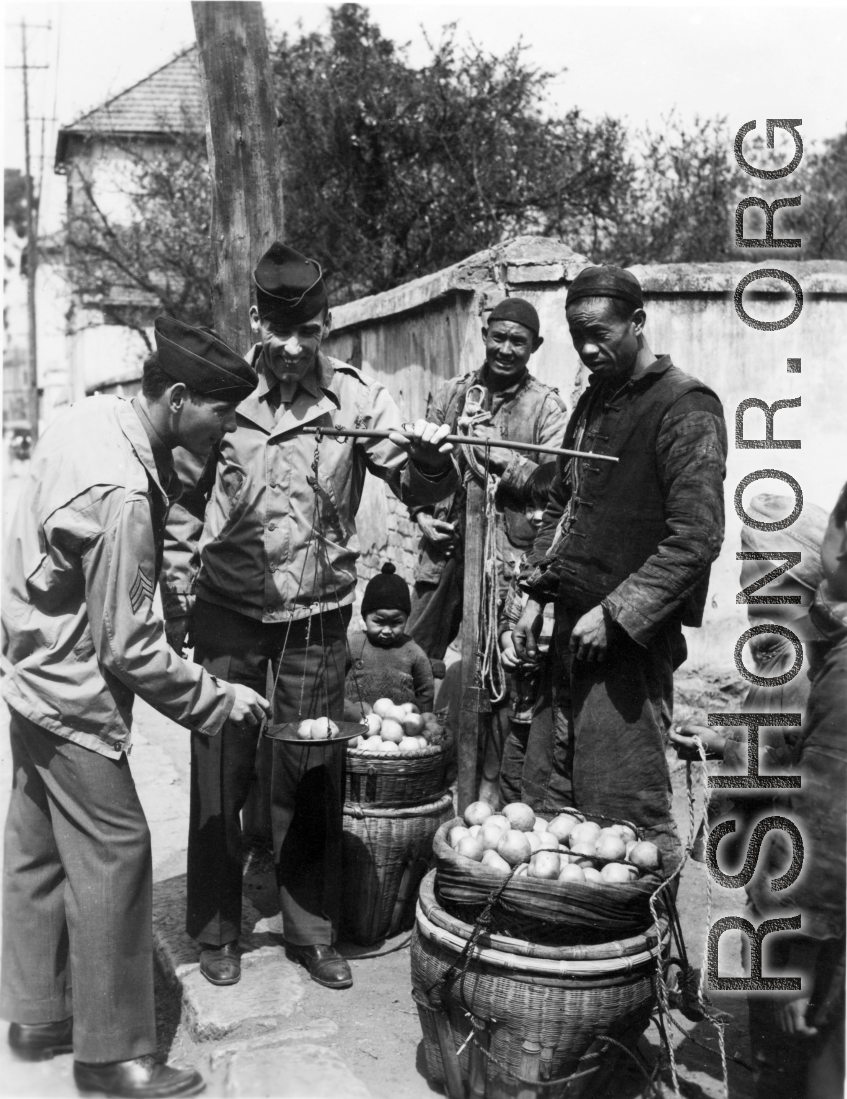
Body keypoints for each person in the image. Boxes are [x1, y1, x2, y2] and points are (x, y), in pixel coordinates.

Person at [162, 242, 458, 992]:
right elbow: (182, 508)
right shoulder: (222, 396)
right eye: (280, 333)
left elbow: (424, 487)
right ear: (256, 320)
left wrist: (428, 455)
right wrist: (173, 597)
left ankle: (311, 929)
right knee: (219, 773)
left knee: (312, 774)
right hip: (227, 617)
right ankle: (217, 929)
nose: (294, 350)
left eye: (311, 333)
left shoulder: (359, 400)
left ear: (327, 325)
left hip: (318, 618)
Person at [0, 318, 269, 1098]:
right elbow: (130, 650)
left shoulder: (88, 418)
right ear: (179, 398)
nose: (225, 429)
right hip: (72, 691)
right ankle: (113, 1056)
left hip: (26, 666)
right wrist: (218, 699)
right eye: (220, 412)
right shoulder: (123, 494)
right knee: (117, 850)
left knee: (38, 846)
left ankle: (40, 1012)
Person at [514, 265, 728, 873]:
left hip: (628, 652)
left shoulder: (686, 408)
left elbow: (696, 537)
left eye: (599, 334)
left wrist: (615, 615)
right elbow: (564, 502)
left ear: (637, 323)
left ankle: (649, 959)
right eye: (576, 335)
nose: (586, 348)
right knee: (550, 810)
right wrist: (536, 594)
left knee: (623, 820)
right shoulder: (591, 401)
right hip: (566, 638)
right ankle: (561, 960)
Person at [406, 297, 569, 673]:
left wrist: (504, 459)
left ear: (535, 346)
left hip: (506, 558)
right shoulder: (450, 394)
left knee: (497, 664)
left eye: (518, 342)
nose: (506, 350)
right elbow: (416, 469)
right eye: (498, 338)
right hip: (446, 548)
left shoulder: (546, 407)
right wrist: (421, 517)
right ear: (484, 335)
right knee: (414, 656)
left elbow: (558, 486)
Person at [497, 462, 558, 806]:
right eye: (529, 506)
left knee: (543, 788)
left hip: (552, 707)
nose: (535, 516)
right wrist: (508, 646)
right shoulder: (524, 565)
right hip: (522, 704)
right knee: (512, 783)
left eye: (544, 506)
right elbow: (508, 620)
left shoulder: (570, 570)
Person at [345, 563, 435, 713]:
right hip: (354, 723)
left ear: (406, 619)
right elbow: (333, 679)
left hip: (400, 728)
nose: (387, 630)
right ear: (364, 616)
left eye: (396, 622)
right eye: (379, 621)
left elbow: (426, 690)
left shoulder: (413, 652)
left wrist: (423, 718)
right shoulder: (353, 645)